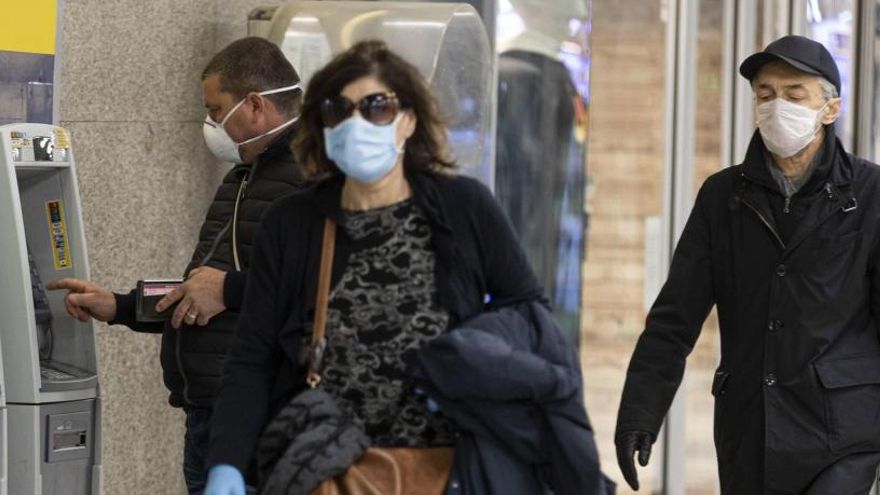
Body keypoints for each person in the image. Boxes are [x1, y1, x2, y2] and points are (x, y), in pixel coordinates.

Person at [200, 40, 575, 495]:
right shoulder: (293, 223)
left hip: (449, 468)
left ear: (409, 121)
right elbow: (252, 358)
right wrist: (227, 465)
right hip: (324, 468)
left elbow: (528, 312)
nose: (357, 123)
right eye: (338, 109)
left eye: (377, 107)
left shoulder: (464, 209)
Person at [615, 35, 880, 494]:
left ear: (829, 109)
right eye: (765, 94)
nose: (777, 106)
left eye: (794, 94)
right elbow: (675, 316)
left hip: (844, 431)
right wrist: (640, 411)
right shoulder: (723, 197)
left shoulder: (871, 193)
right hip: (749, 428)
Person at [46, 37, 305, 494]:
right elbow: (202, 292)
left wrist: (230, 290)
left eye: (215, 109)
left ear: (255, 105)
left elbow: (325, 291)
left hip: (267, 417)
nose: (210, 123)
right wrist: (120, 306)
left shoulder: (310, 179)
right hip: (211, 410)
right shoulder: (243, 177)